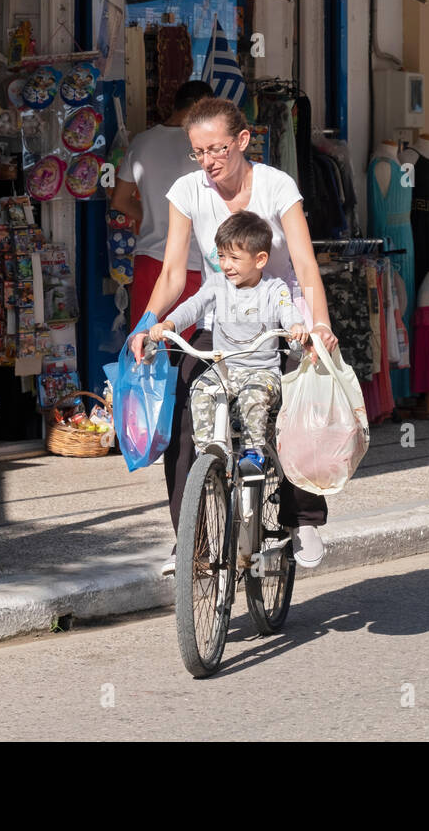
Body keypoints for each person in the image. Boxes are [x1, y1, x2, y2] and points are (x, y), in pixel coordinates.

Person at [132, 96, 338, 574]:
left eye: (216, 149)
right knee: (185, 404)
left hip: (282, 314)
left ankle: (301, 517)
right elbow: (172, 276)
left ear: (243, 141)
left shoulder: (277, 186)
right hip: (221, 315)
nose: (207, 162)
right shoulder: (187, 190)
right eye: (198, 151)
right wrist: (149, 325)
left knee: (296, 399)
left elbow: (306, 266)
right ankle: (192, 543)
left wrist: (319, 325)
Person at [149, 211, 308, 475]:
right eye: (221, 256)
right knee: (200, 390)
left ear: (260, 260)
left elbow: (287, 310)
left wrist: (296, 327)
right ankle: (208, 454)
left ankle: (253, 454)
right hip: (224, 369)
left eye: (234, 258)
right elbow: (194, 306)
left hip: (261, 373)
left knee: (252, 400)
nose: (226, 265)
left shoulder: (274, 288)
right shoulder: (217, 285)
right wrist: (169, 324)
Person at [110, 80, 215, 328]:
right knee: (188, 356)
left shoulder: (141, 142)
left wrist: (153, 218)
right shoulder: (203, 148)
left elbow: (120, 200)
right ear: (200, 107)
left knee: (146, 347)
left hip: (149, 259)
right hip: (191, 263)